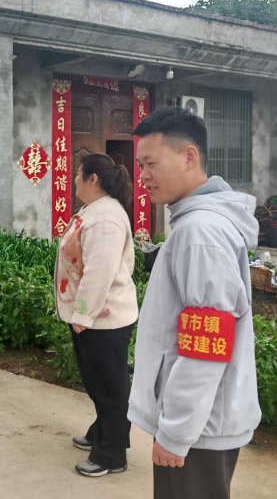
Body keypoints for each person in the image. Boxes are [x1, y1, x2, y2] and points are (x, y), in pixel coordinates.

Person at [128, 107, 260, 499]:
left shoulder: (200, 232)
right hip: (202, 424)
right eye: (140, 165)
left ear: (189, 156)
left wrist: (176, 433)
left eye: (151, 163)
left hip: (198, 431)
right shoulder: (198, 224)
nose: (143, 176)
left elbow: (206, 343)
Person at [54, 153, 138, 477]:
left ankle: (110, 455)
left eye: (78, 174)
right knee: (101, 383)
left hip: (104, 319)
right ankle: (101, 433)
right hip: (97, 317)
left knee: (109, 388)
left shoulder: (105, 219)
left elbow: (99, 272)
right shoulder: (94, 211)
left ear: (93, 180)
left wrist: (83, 316)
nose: (74, 179)